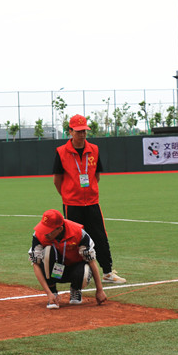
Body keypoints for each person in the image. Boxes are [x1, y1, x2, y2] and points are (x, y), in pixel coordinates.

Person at [53, 114, 126, 284]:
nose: (82, 134)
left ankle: (107, 272)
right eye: (78, 131)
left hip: (92, 202)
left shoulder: (94, 149)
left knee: (100, 237)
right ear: (70, 131)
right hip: (72, 204)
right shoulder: (61, 152)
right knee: (71, 240)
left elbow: (96, 176)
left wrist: (88, 191)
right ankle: (69, 274)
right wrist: (68, 195)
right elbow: (57, 180)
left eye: (84, 131)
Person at [28, 209, 107, 308]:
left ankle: (75, 289)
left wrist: (99, 290)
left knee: (85, 271)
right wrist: (49, 293)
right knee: (47, 251)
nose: (45, 233)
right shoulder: (38, 235)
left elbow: (92, 261)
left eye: (48, 231)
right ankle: (53, 292)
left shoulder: (79, 233)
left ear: (60, 229)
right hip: (55, 271)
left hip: (75, 269)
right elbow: (35, 264)